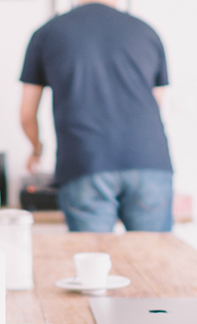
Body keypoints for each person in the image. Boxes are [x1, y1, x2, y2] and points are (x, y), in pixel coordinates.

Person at [19, 0, 174, 232]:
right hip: (149, 159)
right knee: (153, 258)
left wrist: (36, 149)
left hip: (86, 160)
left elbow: (27, 113)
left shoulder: (47, 33)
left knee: (93, 262)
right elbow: (157, 100)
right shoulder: (146, 31)